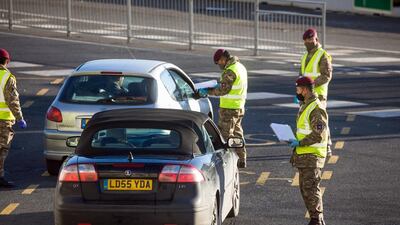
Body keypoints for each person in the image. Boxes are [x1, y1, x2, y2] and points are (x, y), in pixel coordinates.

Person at [198, 49, 248, 168]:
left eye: (218, 62)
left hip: (229, 109)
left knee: (224, 137)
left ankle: (224, 164)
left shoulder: (230, 71)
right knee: (237, 134)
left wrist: (207, 91)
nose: (218, 65)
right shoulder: (240, 66)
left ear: (223, 59)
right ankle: (241, 159)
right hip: (238, 106)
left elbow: (223, 90)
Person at [289, 76, 328, 225]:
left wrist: (300, 142)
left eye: (298, 89)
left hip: (312, 156)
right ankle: (315, 219)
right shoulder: (306, 105)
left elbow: (319, 134)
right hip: (304, 155)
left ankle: (317, 220)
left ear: (304, 90)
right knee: (306, 190)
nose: (297, 92)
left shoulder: (315, 108)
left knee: (311, 189)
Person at [300, 28, 333, 156]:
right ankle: (310, 144)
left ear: (316, 39)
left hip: (318, 94)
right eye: (306, 40)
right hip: (305, 95)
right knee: (307, 120)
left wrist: (311, 86)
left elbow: (326, 75)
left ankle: (327, 145)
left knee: (320, 120)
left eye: (310, 39)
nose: (308, 42)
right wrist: (299, 91)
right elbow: (302, 75)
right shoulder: (305, 56)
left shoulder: (322, 55)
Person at [0, 48, 27, 188]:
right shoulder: (7, 77)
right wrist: (19, 118)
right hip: (3, 121)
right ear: (7, 61)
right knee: (2, 149)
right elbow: (12, 100)